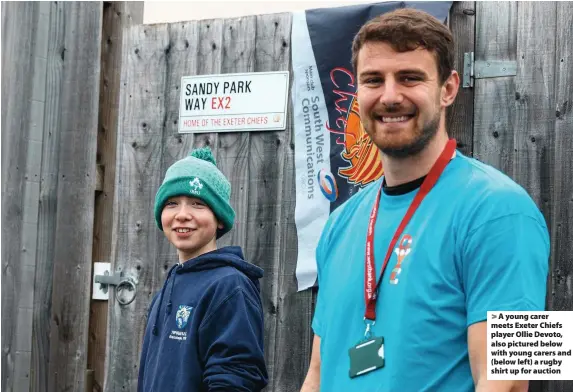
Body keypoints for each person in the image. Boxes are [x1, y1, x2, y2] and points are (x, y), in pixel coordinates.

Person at [301, 8, 549, 392]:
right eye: (372, 80)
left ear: (448, 88)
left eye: (409, 78)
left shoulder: (508, 211)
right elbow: (317, 374)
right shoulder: (339, 224)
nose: (389, 96)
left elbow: (512, 382)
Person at [138, 147, 268, 392]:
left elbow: (235, 378)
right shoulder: (168, 288)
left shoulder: (230, 286)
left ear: (219, 218)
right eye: (172, 203)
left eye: (197, 204)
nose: (182, 215)